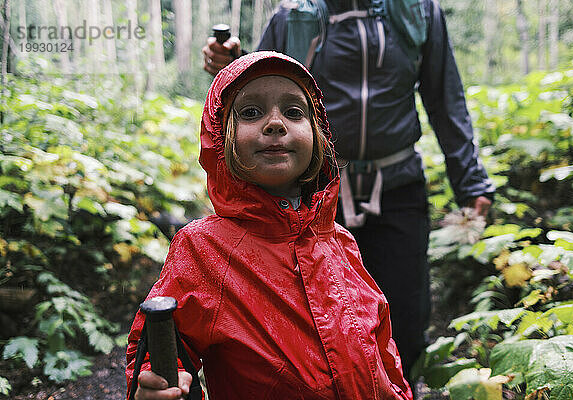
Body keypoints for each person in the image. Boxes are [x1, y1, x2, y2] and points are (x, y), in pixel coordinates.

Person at [202, 0, 495, 379]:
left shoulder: (418, 12)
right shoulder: (294, 17)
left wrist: (470, 180)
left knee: (405, 319)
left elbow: (445, 97)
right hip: (314, 196)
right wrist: (234, 61)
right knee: (319, 324)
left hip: (398, 189)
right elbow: (259, 90)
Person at [126, 51, 413, 400]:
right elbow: (159, 347)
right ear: (220, 138)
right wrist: (154, 387)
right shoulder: (204, 249)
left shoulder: (340, 241)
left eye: (294, 112)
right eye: (251, 112)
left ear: (317, 133)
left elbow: (383, 352)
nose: (275, 123)